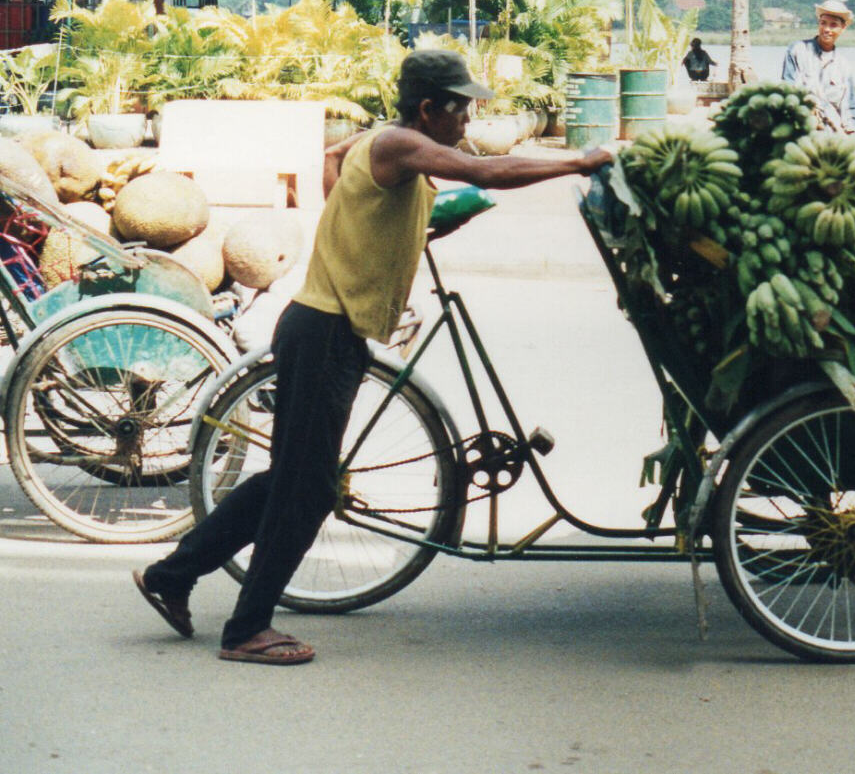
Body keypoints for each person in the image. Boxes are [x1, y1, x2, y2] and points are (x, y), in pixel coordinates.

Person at [131, 50, 611, 666]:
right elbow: (484, 172)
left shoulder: (377, 145)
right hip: (324, 334)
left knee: (290, 478)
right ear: (428, 108)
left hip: (323, 330)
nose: (468, 116)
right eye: (460, 105)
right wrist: (580, 159)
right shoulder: (399, 145)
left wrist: (387, 227)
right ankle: (246, 629)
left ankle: (172, 575)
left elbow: (334, 163)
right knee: (307, 493)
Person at [781, 0, 855, 133]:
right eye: (823, 23)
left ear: (843, 28)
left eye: (833, 25)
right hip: (800, 126)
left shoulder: (844, 65)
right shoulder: (797, 50)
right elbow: (787, 88)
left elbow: (849, 107)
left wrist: (851, 132)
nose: (827, 29)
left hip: (831, 131)